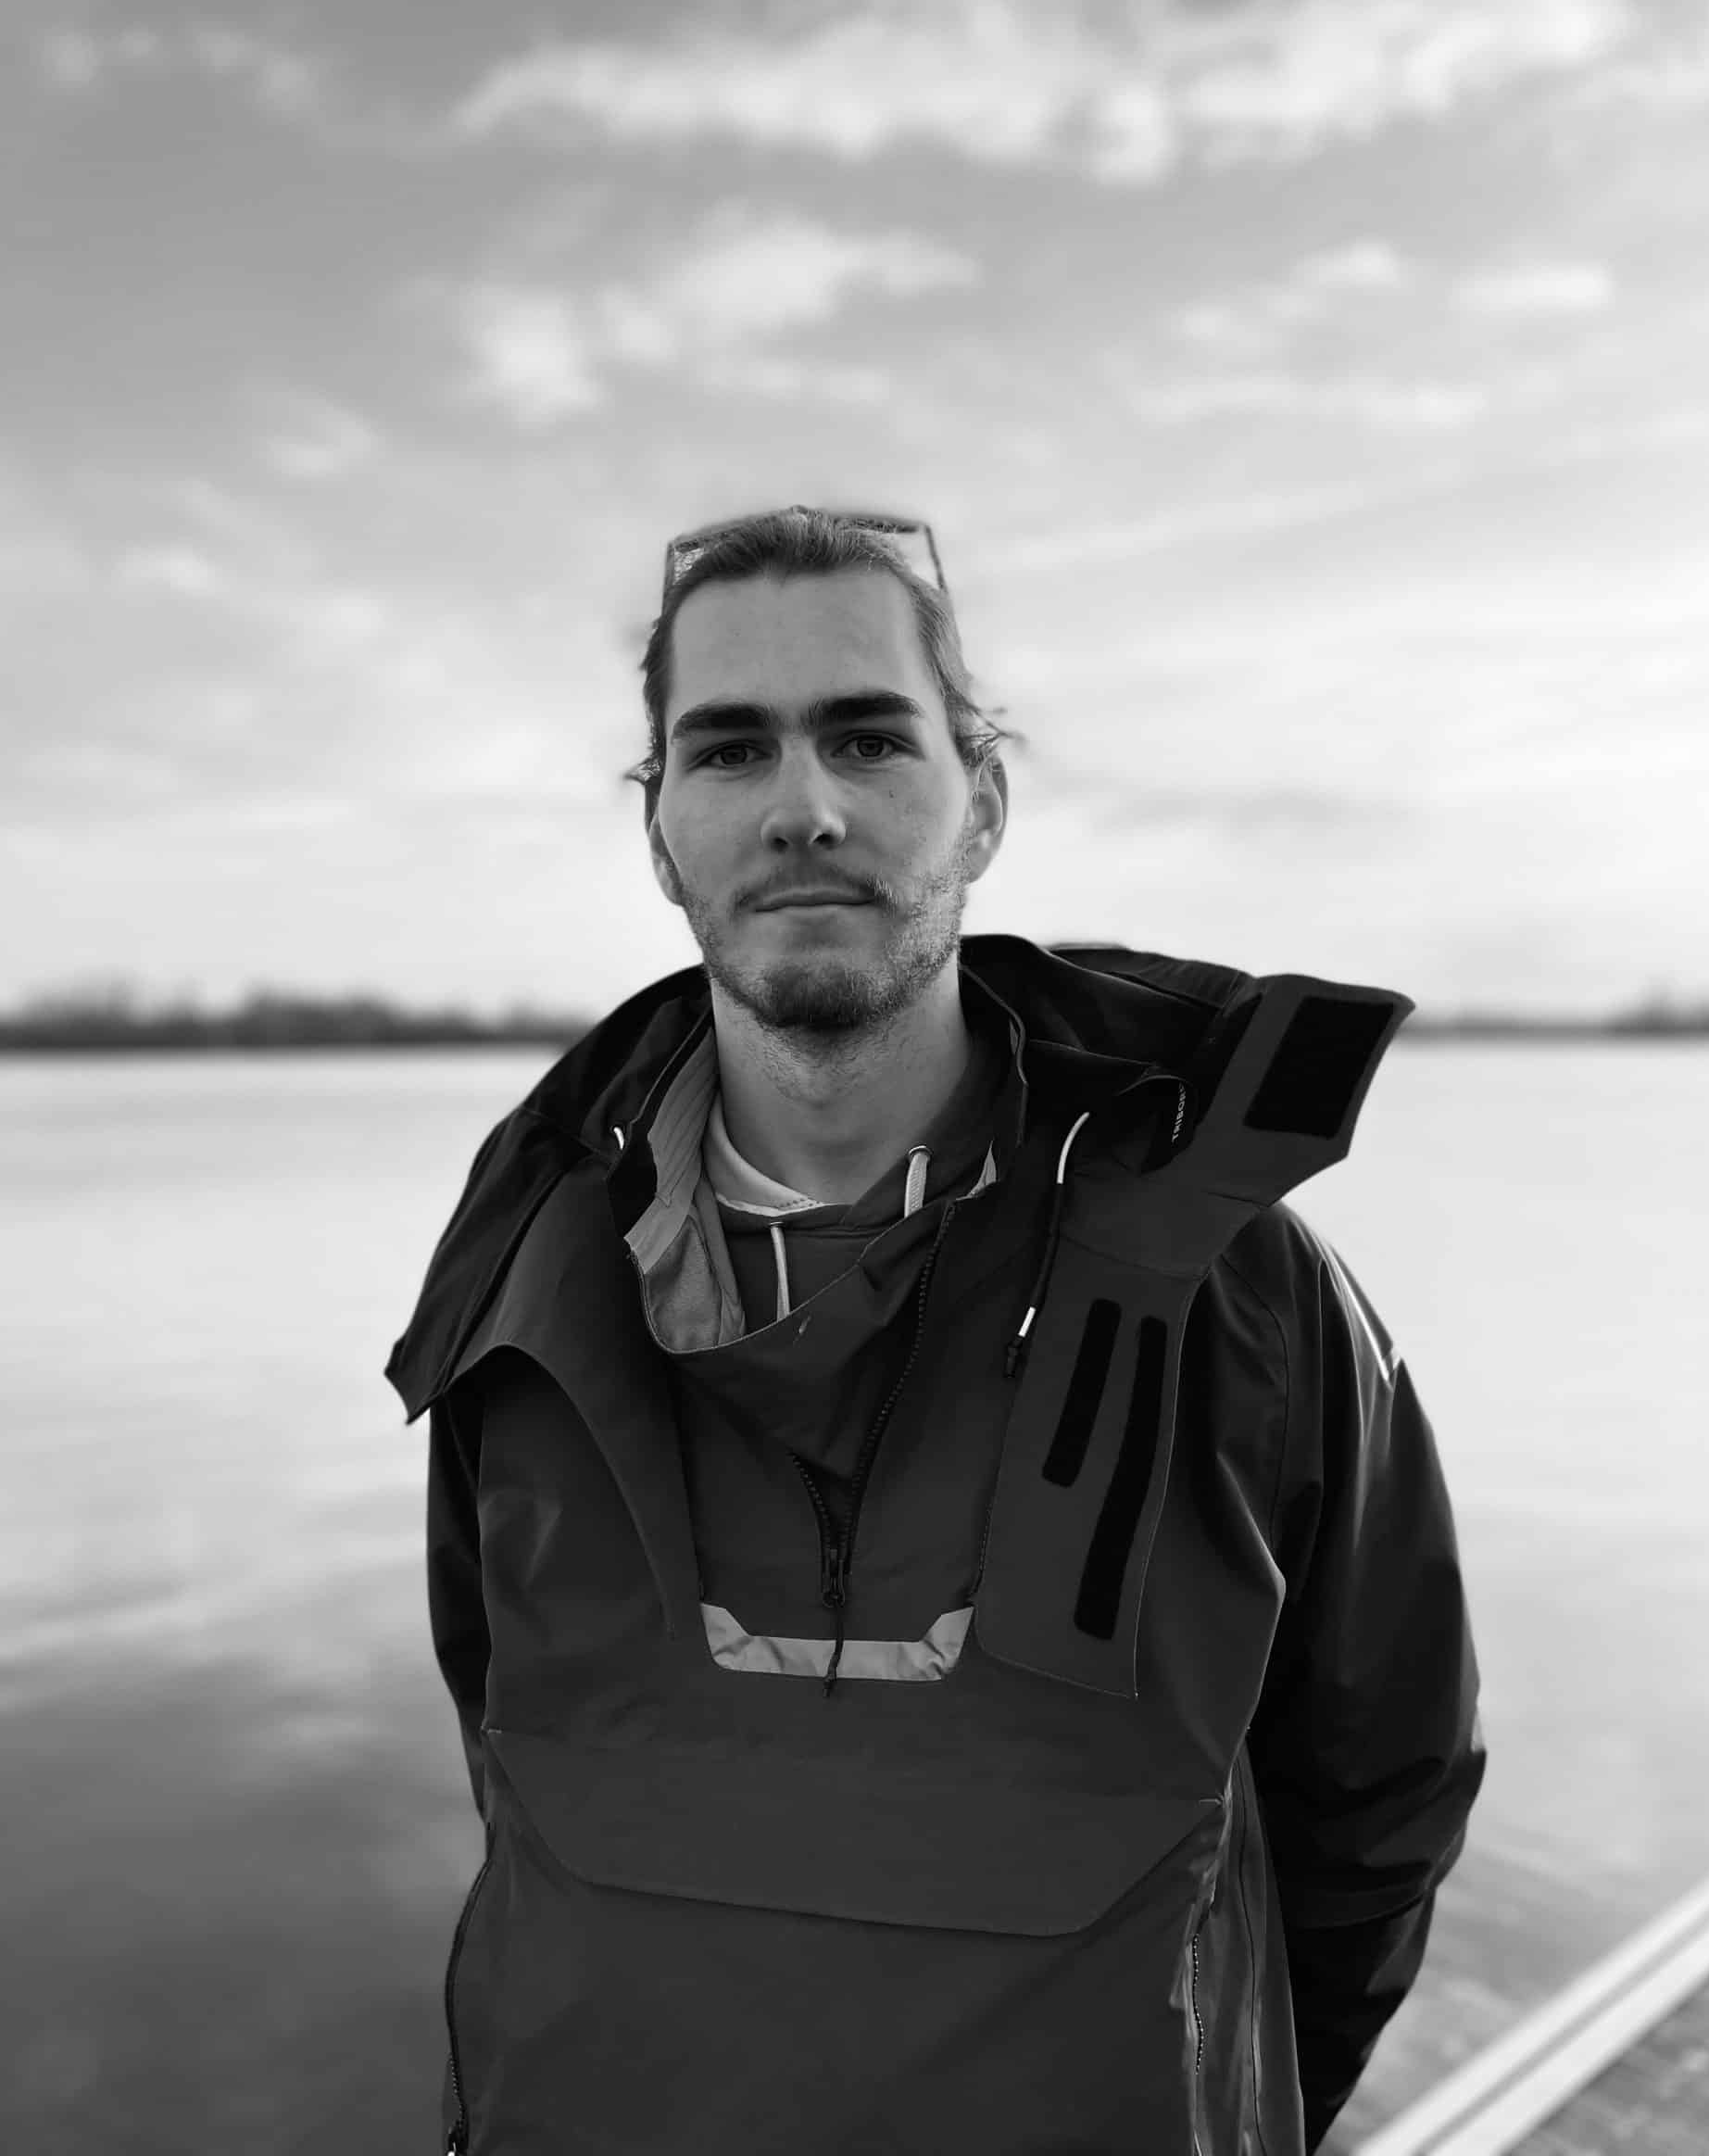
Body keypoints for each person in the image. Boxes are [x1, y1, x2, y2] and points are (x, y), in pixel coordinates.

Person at [386, 505, 1487, 2156]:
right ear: (661, 834)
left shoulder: (1240, 1292)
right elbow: (505, 1743)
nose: (805, 808)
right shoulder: (528, 1288)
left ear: (982, 804)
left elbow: (1381, 1801)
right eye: (730, 749)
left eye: (868, 737)